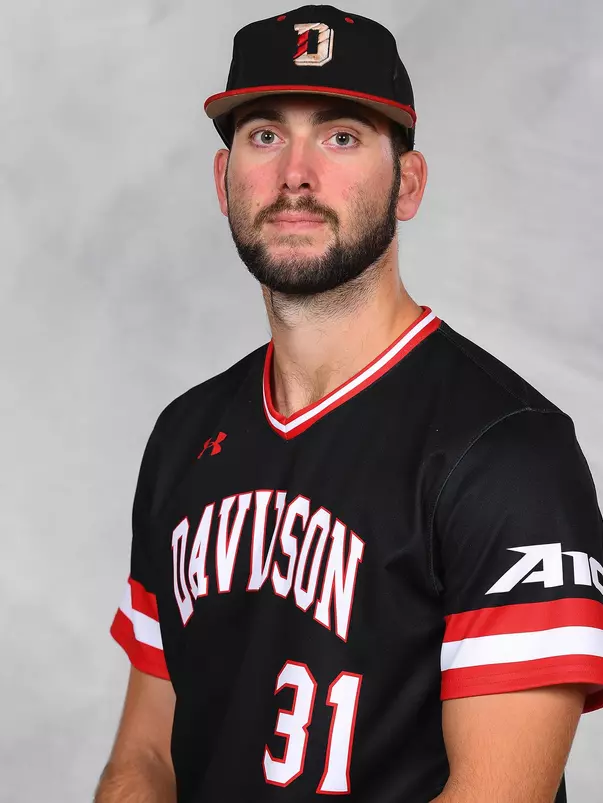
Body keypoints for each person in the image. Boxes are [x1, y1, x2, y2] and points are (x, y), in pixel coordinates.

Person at [95, 6, 603, 802]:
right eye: (264, 135)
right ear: (222, 179)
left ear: (406, 184)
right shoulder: (185, 434)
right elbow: (144, 758)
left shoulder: (509, 451)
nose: (295, 174)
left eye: (340, 137)